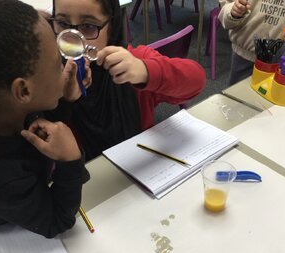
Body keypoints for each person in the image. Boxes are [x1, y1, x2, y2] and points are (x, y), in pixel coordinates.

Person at [0, 0, 90, 239]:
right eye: (56, 63)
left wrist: (65, 99)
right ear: (23, 91)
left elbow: (39, 113)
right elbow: (56, 220)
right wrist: (70, 161)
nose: (64, 65)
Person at [47, 0, 207, 161]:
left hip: (138, 167)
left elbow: (197, 81)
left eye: (88, 26)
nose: (73, 38)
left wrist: (145, 71)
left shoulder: (131, 64)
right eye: (62, 23)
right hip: (83, 176)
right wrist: (65, 99)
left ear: (112, 25)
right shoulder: (46, 73)